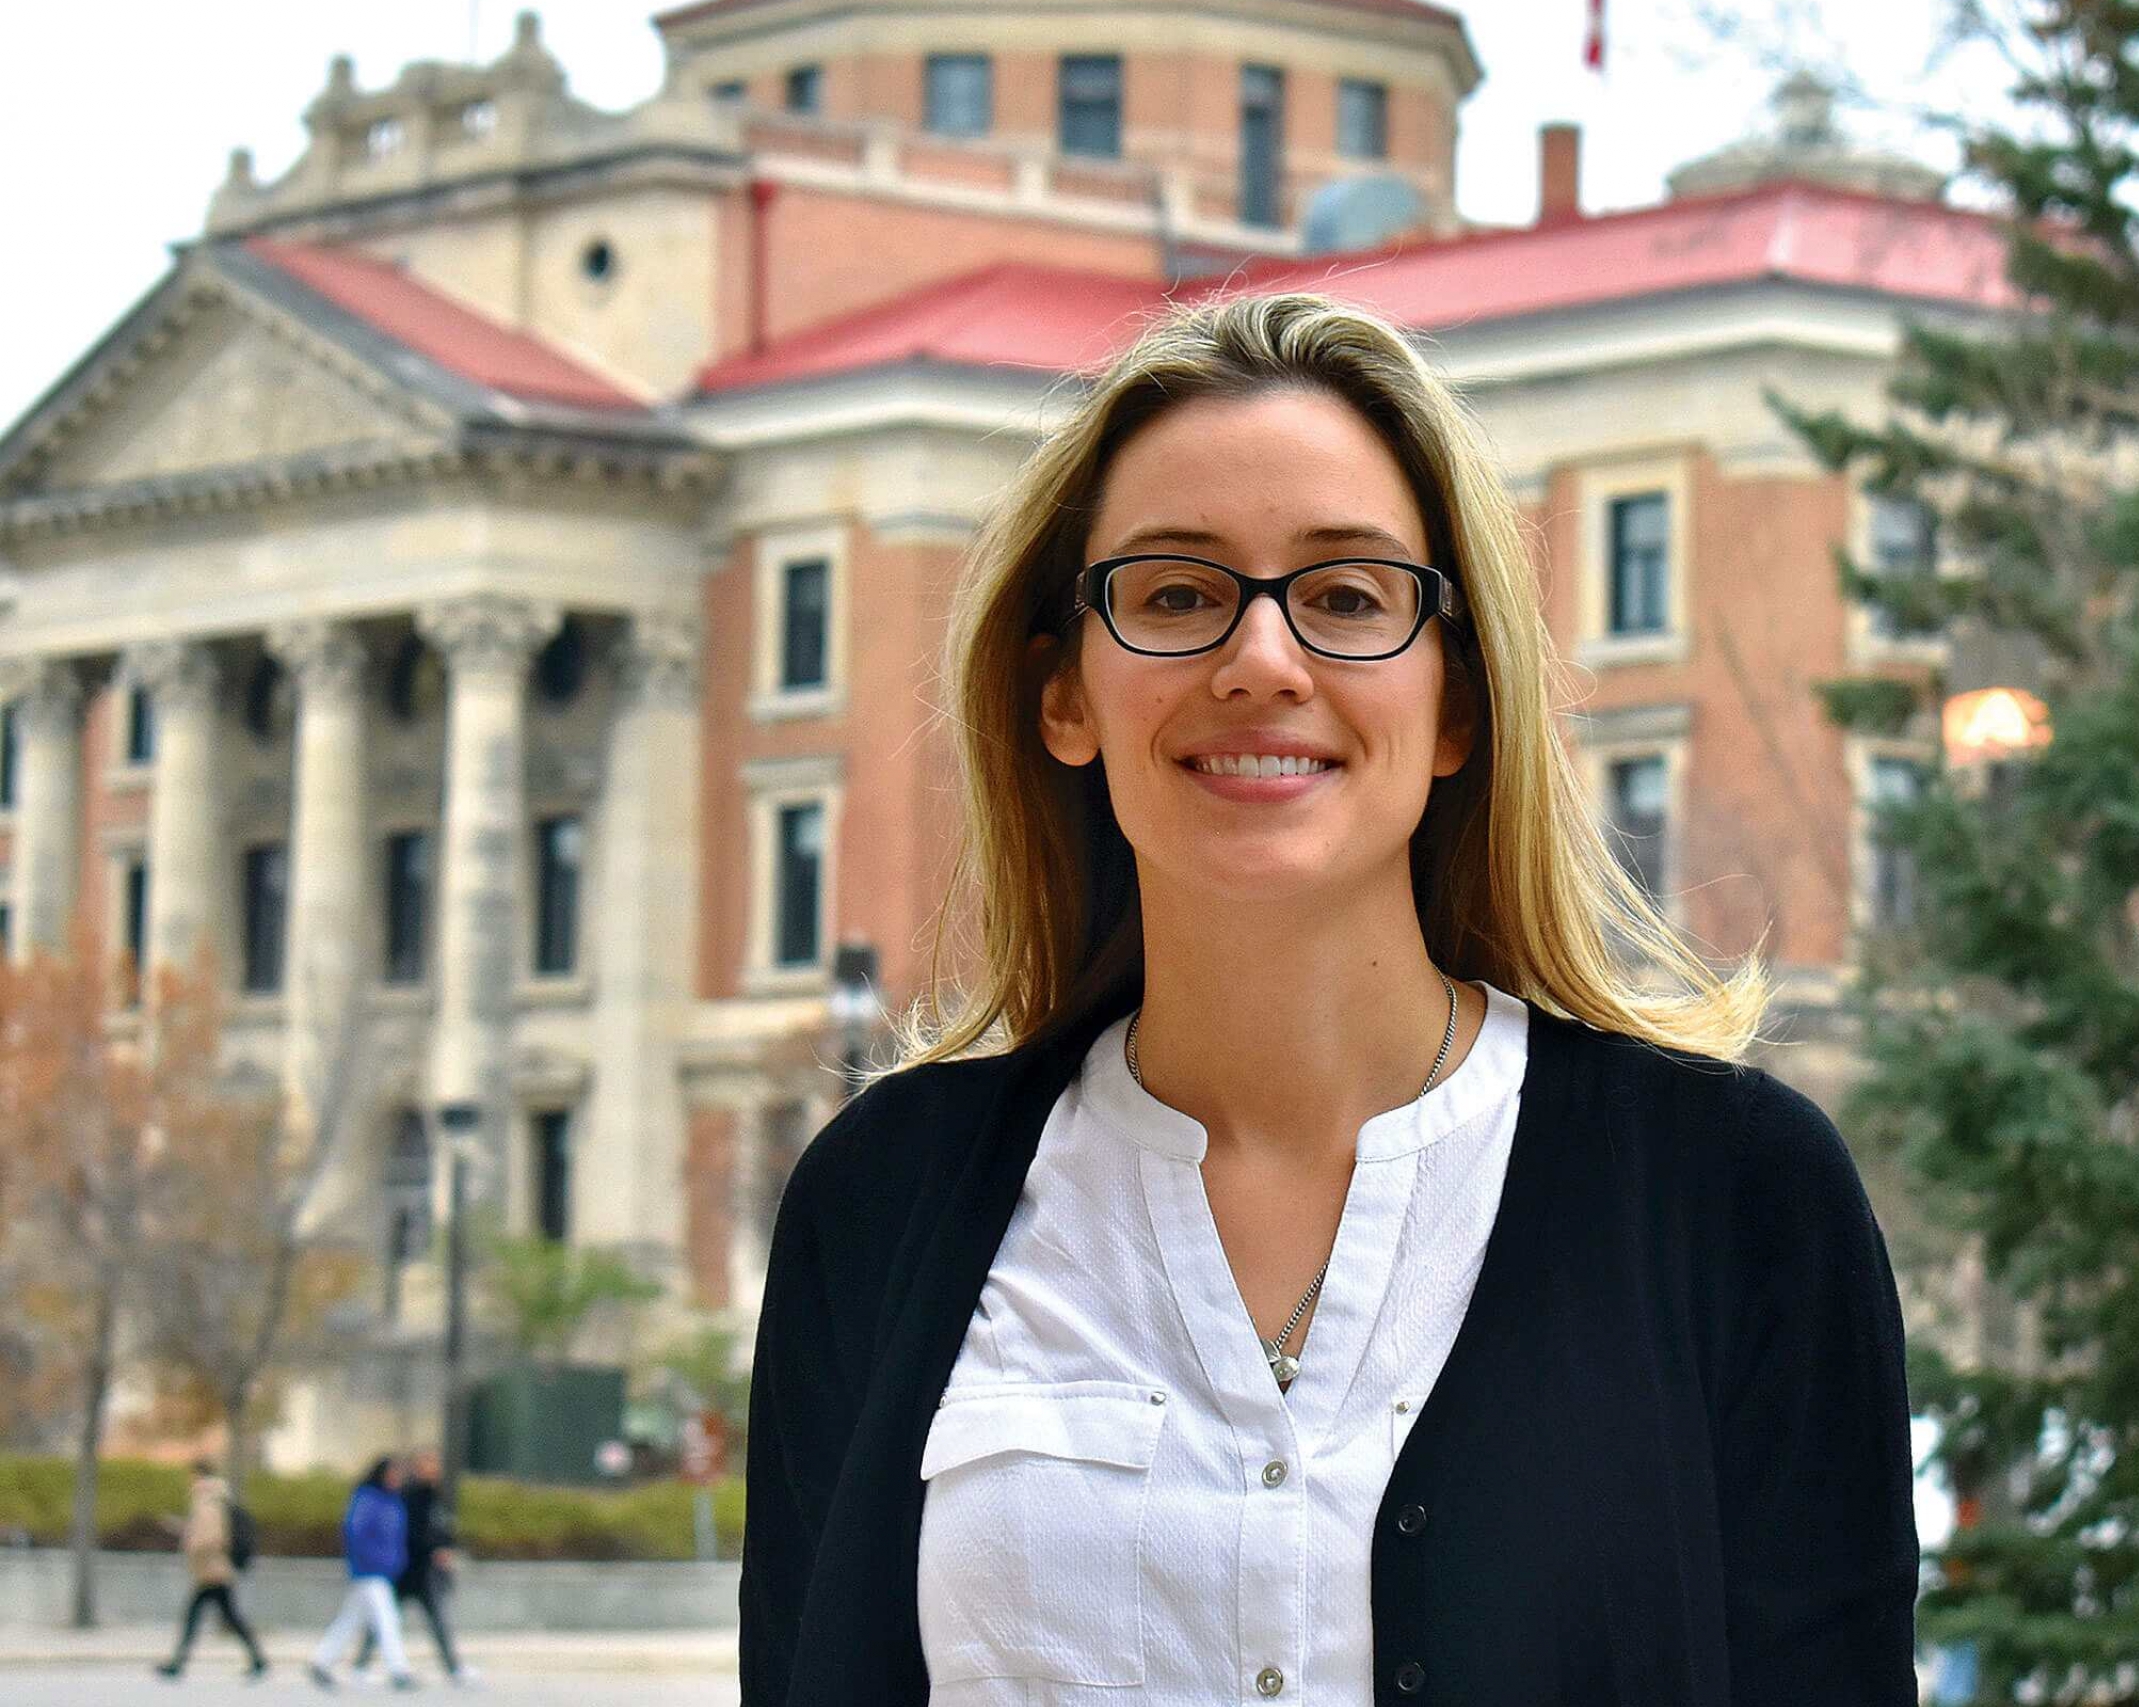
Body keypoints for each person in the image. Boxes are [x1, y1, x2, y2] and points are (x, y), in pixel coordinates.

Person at [739, 292, 1920, 1705]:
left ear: (1459, 702)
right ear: (1063, 695)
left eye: (1348, 596)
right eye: (1176, 593)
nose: (1261, 659)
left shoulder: (1735, 1196)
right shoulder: (882, 1201)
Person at [350, 1448, 477, 1687]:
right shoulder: (408, 1496)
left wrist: (444, 1547)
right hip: (404, 1571)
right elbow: (406, 1533)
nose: (433, 1469)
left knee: (430, 1620)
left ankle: (452, 1667)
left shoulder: (433, 1495)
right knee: (384, 1620)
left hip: (421, 1571)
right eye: (427, 1463)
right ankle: (372, 1667)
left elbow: (441, 1528)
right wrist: (431, 1549)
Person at [306, 1457, 416, 1691]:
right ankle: (399, 1669)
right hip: (369, 1570)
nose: (397, 1479)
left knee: (350, 1619)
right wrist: (372, 1559)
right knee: (387, 1619)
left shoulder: (393, 1501)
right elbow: (355, 1533)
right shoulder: (368, 1499)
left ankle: (321, 1661)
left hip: (385, 1570)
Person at [154, 1459, 265, 1680]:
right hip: (215, 1569)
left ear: (198, 1476)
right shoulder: (216, 1498)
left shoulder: (207, 1500)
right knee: (230, 1616)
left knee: (196, 1615)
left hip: (212, 1569)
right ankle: (257, 1659)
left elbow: (212, 1536)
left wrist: (193, 1548)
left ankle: (178, 1663)